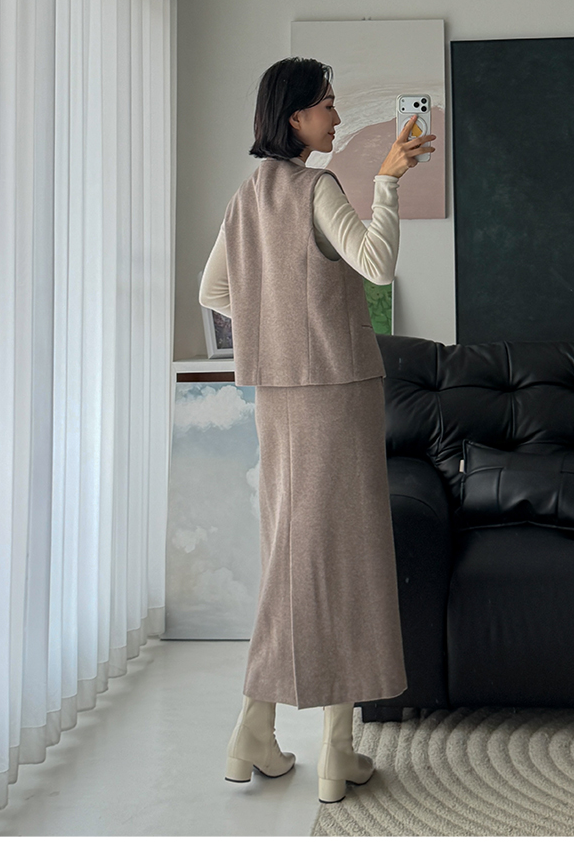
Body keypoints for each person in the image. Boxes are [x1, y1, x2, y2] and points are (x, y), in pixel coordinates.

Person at [198, 57, 436, 804]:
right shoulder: (316, 188)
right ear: (295, 117)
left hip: (279, 399)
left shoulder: (247, 196)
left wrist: (273, 331)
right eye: (327, 104)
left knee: (292, 555)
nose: (336, 116)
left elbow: (213, 290)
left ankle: (256, 730)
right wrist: (389, 180)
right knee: (347, 556)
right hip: (337, 394)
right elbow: (377, 263)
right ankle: (334, 748)